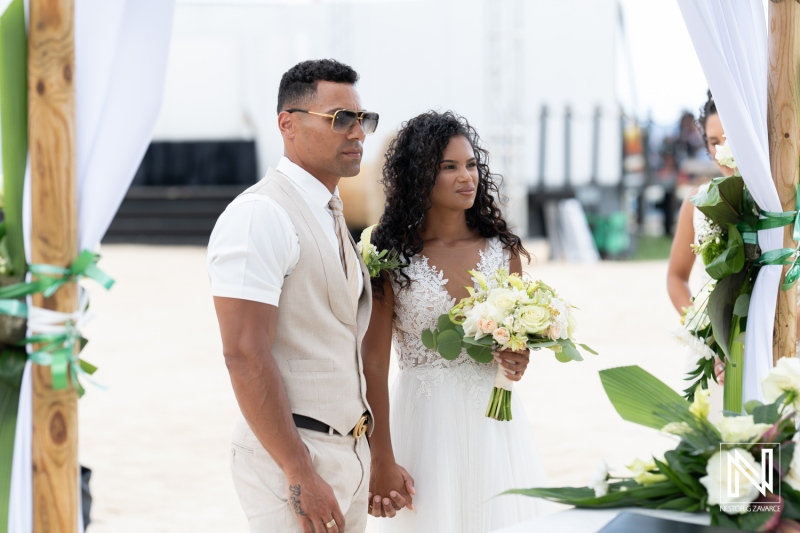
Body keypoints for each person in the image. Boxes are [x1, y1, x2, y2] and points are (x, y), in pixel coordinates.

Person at [207, 59, 411, 533]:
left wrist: (372, 455)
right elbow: (242, 352)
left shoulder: (330, 210)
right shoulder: (261, 215)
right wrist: (299, 472)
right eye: (340, 119)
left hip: (348, 453)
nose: (358, 132)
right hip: (293, 456)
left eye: (363, 119)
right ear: (288, 124)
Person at [362, 111, 546, 532]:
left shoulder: (504, 251)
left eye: (471, 164)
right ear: (420, 175)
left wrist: (518, 357)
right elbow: (372, 364)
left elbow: (514, 346)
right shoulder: (392, 259)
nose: (467, 177)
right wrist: (381, 457)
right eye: (449, 167)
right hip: (425, 428)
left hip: (495, 427)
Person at [667, 92, 731, 384]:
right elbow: (676, 277)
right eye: (713, 142)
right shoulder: (696, 202)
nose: (722, 151)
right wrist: (706, 332)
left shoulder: (780, 204)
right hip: (714, 350)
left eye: (729, 139)